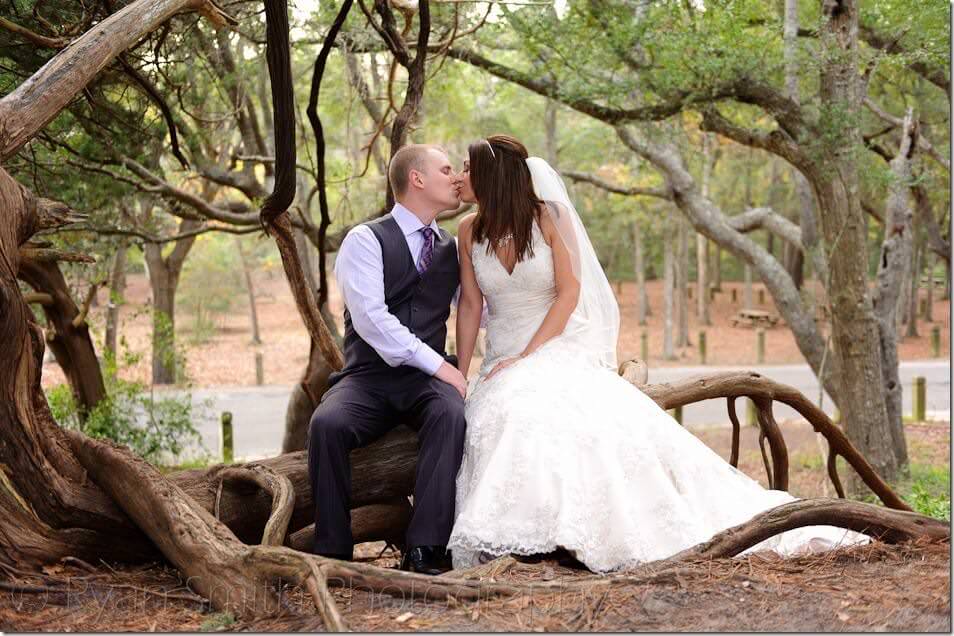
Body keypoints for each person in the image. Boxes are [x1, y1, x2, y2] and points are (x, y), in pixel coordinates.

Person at [446, 134, 869, 573]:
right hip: (503, 359)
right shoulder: (467, 231)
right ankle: (526, 533)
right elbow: (472, 305)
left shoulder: (547, 216)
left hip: (553, 347)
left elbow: (570, 293)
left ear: (491, 174)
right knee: (504, 410)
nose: (461, 176)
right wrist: (462, 372)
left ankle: (570, 531)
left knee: (557, 410)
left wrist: (531, 355)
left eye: (467, 167)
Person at [307, 144, 467, 575]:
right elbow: (372, 320)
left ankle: (426, 549)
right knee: (327, 425)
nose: (455, 178)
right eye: (446, 169)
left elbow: (477, 310)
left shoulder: (453, 248)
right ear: (416, 179)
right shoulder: (365, 240)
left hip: (424, 380)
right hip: (368, 376)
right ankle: (332, 553)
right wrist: (442, 367)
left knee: (451, 414)